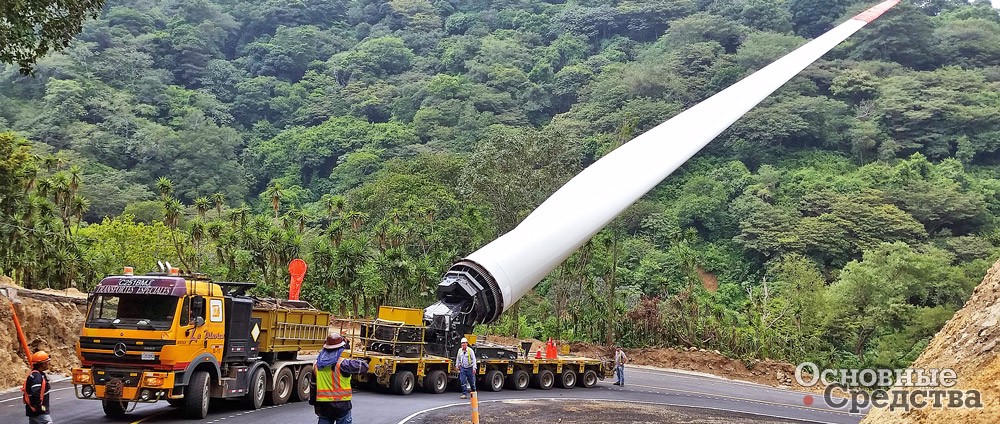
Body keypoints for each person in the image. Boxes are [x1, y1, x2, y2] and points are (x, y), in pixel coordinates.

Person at [311, 332, 369, 424]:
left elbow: (313, 387)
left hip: (323, 406)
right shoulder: (343, 364)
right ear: (340, 349)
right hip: (342, 405)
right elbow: (364, 367)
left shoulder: (316, 365)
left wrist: (315, 405)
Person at [23, 351, 52, 424]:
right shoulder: (37, 377)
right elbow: (35, 394)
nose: (48, 364)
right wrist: (40, 407)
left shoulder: (34, 375)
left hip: (32, 410)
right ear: (42, 364)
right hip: (39, 412)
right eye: (47, 362)